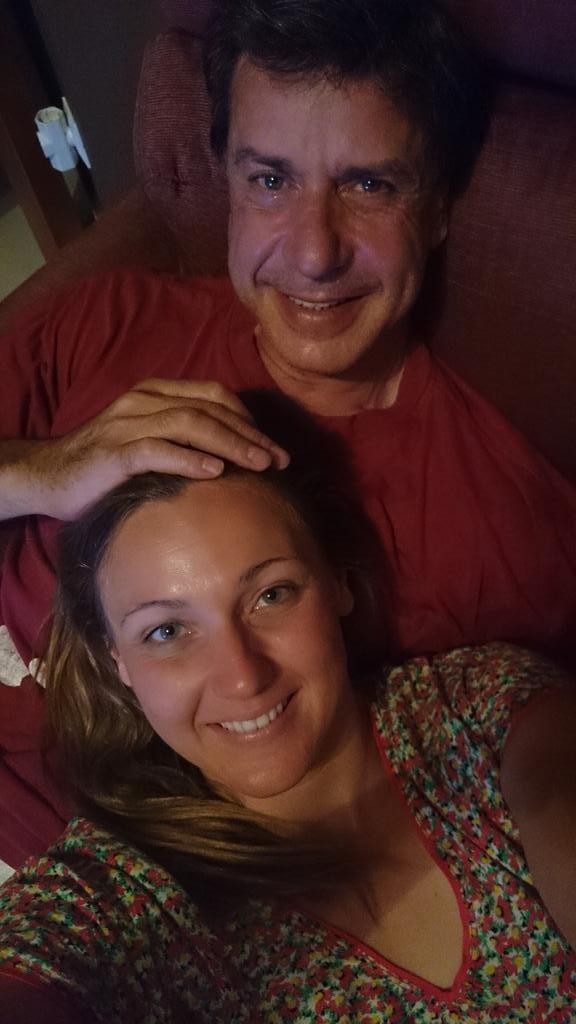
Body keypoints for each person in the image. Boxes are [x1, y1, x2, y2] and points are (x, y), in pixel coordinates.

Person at [1, 0, 576, 864]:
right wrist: (44, 472)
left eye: (369, 186)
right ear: (225, 181)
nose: (313, 253)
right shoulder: (107, 319)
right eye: (270, 181)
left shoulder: (507, 538)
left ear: (437, 208)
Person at [0, 423, 575, 1023]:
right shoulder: (107, 894)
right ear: (117, 661)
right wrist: (31, 476)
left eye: (272, 595)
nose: (243, 679)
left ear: (337, 583)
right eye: (166, 631)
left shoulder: (478, 707)